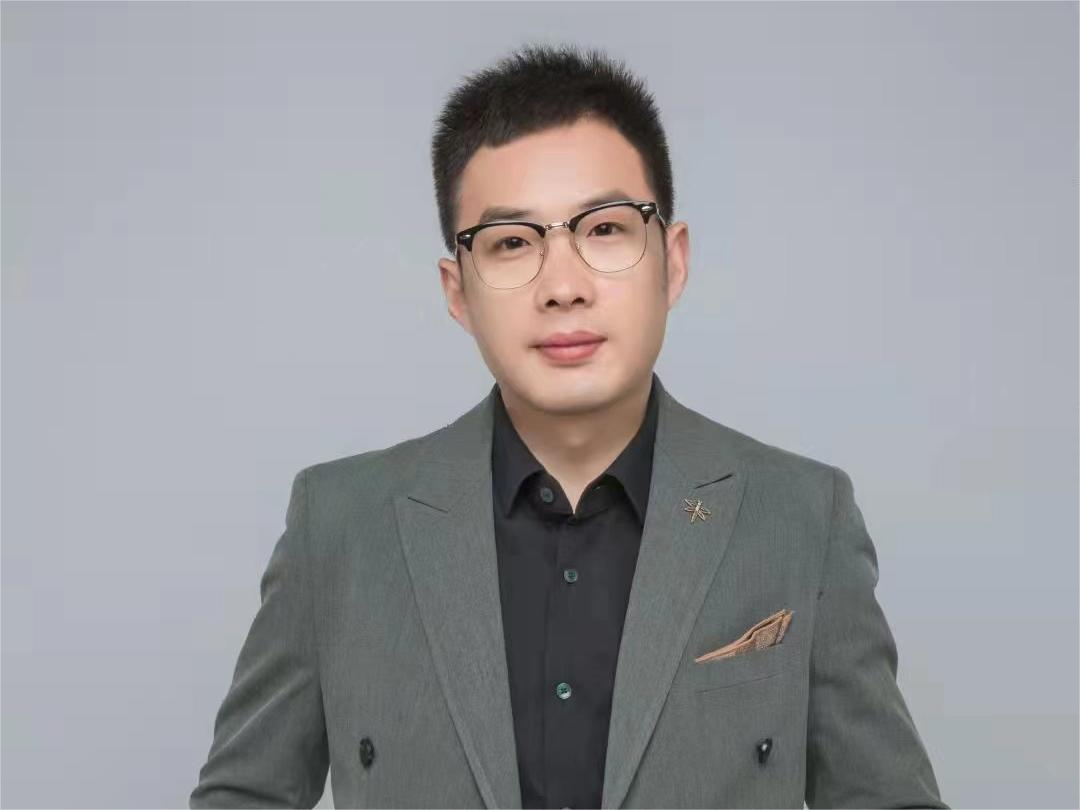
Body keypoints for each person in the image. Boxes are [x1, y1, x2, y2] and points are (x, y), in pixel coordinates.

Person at [190, 43, 950, 810]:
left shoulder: (801, 519)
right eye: (511, 242)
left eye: (605, 229)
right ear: (457, 291)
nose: (563, 286)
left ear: (672, 261)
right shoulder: (339, 526)